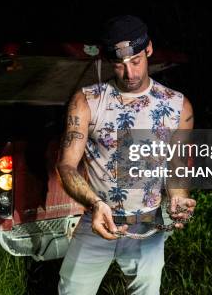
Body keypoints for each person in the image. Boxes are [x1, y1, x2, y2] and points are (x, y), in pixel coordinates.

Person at [56, 15, 196, 295]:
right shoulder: (87, 101)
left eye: (136, 62)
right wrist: (95, 204)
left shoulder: (178, 106)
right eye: (119, 65)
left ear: (149, 50)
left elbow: (177, 166)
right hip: (96, 220)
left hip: (149, 226)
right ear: (109, 62)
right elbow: (67, 166)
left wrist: (178, 197)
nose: (129, 74)